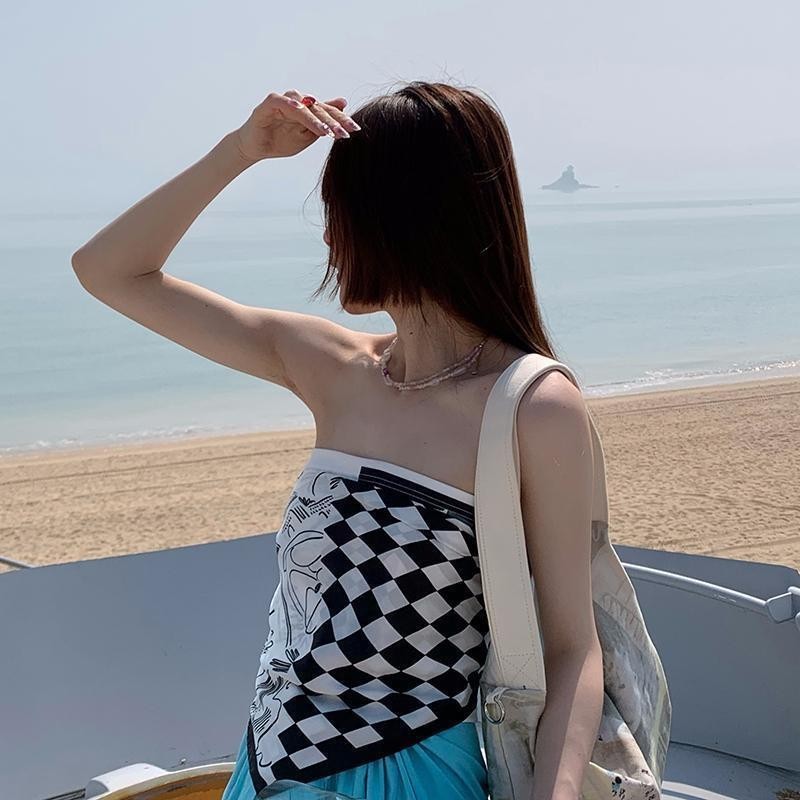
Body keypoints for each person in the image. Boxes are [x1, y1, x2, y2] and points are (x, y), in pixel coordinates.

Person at [72, 81, 604, 800]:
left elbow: (573, 650)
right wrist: (240, 151)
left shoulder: (532, 407)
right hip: (265, 769)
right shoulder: (332, 366)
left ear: (402, 219)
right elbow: (108, 270)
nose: (327, 238)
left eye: (338, 214)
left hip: (407, 773)